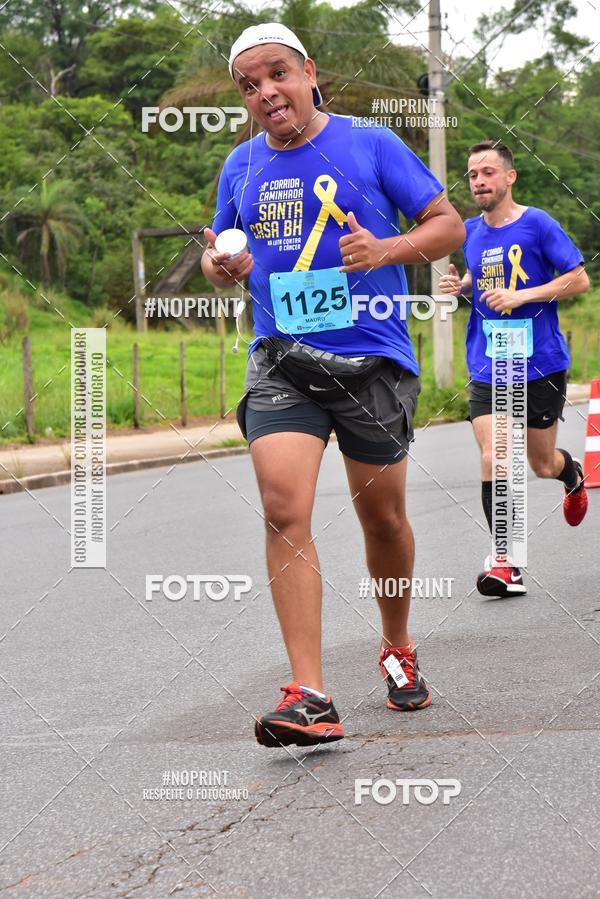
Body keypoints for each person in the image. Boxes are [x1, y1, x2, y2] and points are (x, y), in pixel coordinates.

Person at [201, 22, 465, 747]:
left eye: (276, 74)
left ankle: (398, 644)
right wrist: (223, 267)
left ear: (308, 70)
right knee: (283, 505)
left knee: (382, 519)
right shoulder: (241, 166)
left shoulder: (371, 142)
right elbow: (217, 249)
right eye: (249, 86)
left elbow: (447, 226)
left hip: (371, 358)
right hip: (282, 357)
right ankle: (311, 693)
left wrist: (388, 247)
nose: (265, 92)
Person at [439, 140, 589, 598]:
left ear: (510, 177)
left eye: (488, 173)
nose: (479, 182)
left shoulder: (538, 223)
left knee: (541, 463)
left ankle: (571, 473)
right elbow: (481, 280)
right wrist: (460, 285)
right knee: (496, 453)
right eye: (472, 175)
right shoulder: (467, 233)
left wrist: (523, 296)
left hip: (540, 361)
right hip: (489, 361)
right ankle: (506, 562)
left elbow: (578, 278)